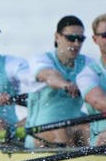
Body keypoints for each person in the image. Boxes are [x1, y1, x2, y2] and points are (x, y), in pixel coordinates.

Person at [29, 15, 92, 146]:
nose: (76, 44)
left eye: (80, 39)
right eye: (71, 38)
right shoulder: (41, 60)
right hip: (37, 132)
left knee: (90, 129)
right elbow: (49, 76)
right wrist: (66, 85)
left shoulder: (87, 64)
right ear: (57, 37)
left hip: (73, 127)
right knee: (61, 132)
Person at [80, 13, 106, 146]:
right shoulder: (88, 73)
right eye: (105, 35)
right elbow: (99, 102)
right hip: (101, 139)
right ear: (95, 39)